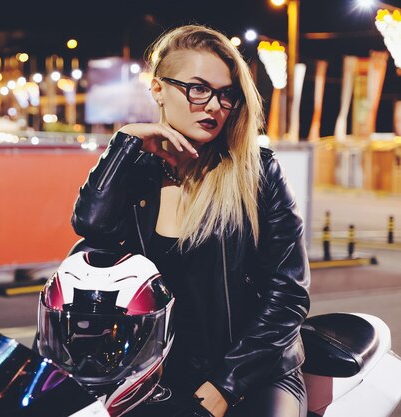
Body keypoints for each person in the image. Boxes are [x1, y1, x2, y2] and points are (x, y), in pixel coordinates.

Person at [71, 24, 310, 417]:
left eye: (226, 93)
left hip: (253, 372)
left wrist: (225, 386)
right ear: (159, 88)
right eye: (198, 89)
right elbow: (90, 227)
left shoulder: (258, 173)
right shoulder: (138, 173)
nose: (214, 106)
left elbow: (288, 296)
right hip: (155, 374)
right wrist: (125, 142)